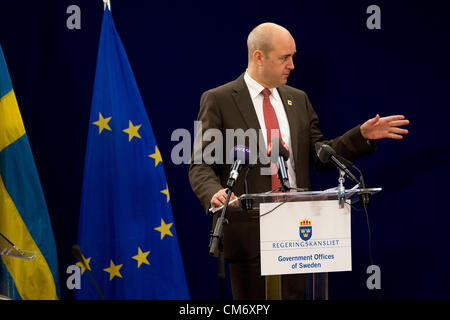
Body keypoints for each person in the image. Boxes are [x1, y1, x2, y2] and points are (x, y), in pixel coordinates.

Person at [188, 22, 409, 300]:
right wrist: (214, 193)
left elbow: (320, 155)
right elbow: (200, 164)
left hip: (298, 233)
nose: (291, 65)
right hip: (247, 232)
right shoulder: (219, 100)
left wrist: (360, 136)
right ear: (258, 56)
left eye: (293, 56)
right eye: (284, 57)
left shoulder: (298, 99)